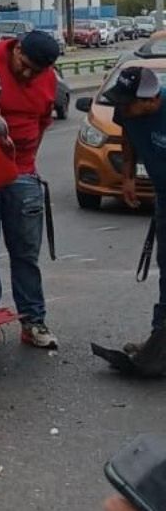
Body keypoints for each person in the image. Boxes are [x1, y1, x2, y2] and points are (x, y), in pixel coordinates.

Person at [0, 30, 62, 348]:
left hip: (23, 174)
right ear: (17, 48)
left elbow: (43, 121)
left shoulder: (47, 78)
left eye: (36, 70)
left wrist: (26, 163)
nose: (28, 73)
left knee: (25, 253)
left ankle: (33, 321)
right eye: (25, 65)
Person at [99, 64, 166, 375]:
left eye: (129, 104)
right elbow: (127, 135)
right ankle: (159, 343)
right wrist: (127, 176)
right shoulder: (127, 110)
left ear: (152, 100)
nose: (122, 109)